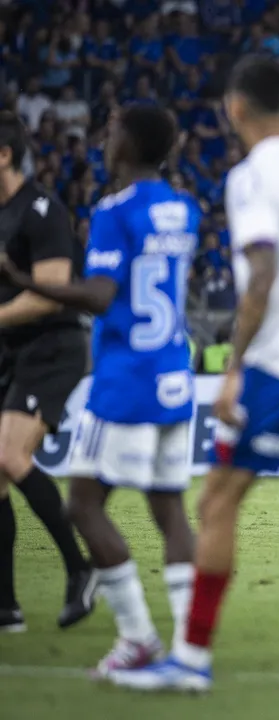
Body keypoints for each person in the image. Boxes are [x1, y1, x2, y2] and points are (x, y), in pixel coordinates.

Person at [110, 55, 279, 697]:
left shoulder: (250, 177)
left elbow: (261, 274)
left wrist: (233, 370)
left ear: (235, 108)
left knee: (216, 501)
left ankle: (191, 657)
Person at [0, 103, 198, 674]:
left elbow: (100, 296)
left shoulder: (116, 210)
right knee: (170, 511)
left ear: (129, 146)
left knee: (83, 506)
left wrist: (21, 281)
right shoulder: (182, 209)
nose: (105, 142)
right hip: (173, 376)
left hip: (127, 378)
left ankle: (137, 637)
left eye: (112, 134)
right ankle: (190, 645)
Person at [0, 110, 95, 632]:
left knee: (10, 455)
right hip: (13, 351)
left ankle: (82, 568)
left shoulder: (41, 210)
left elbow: (48, 291)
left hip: (53, 346)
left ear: (5, 155)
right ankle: (6, 606)